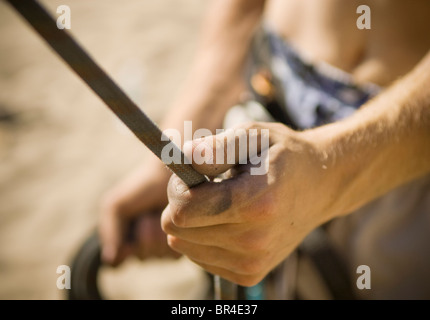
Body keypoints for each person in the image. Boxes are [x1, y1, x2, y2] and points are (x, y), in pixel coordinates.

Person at [99, 0, 430, 299]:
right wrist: (174, 154)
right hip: (269, 89)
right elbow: (243, 9)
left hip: (407, 159)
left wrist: (326, 170)